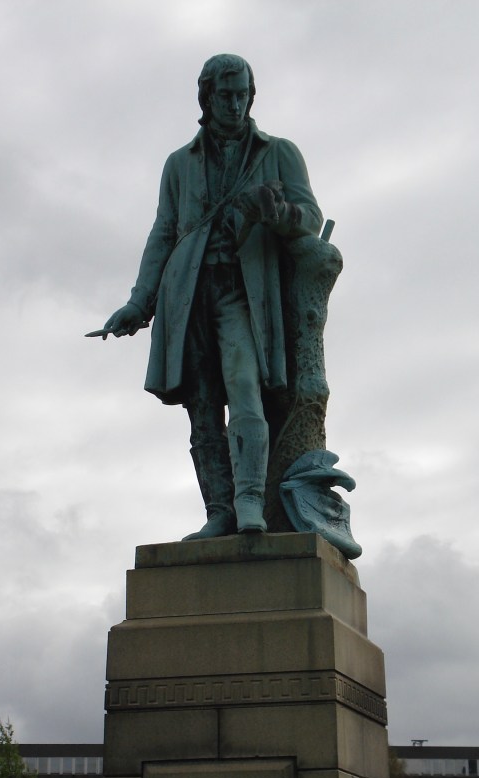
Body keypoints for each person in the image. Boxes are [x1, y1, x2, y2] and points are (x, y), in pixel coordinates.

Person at [97, 54, 323, 539]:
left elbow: (310, 218)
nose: (235, 105)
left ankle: (249, 500)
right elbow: (163, 234)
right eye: (225, 96)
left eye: (242, 95)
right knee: (201, 408)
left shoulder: (279, 152)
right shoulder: (180, 164)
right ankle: (219, 509)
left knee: (244, 387)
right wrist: (139, 302)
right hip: (187, 293)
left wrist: (277, 212)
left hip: (244, 291)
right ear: (206, 97)